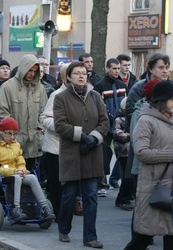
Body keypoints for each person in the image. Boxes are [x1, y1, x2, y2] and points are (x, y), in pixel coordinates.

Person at [54, 61, 109, 248]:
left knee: (91, 196)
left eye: (84, 73)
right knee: (69, 195)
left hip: (92, 153)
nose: (81, 76)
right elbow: (60, 125)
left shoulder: (95, 97)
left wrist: (93, 138)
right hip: (71, 153)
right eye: (77, 73)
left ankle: (90, 237)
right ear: (69, 77)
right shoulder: (61, 97)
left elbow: (104, 121)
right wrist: (81, 136)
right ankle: (64, 228)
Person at [124, 80, 173, 250]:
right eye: (171, 99)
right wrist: (172, 155)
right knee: (142, 239)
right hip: (152, 187)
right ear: (161, 100)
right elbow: (141, 152)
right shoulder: (146, 120)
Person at [0, 117, 55, 221]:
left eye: (14, 134)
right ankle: (15, 208)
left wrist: (22, 170)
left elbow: (21, 162)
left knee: (32, 178)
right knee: (16, 177)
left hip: (15, 172)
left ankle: (45, 207)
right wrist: (13, 171)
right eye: (9, 133)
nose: (12, 137)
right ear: (1, 132)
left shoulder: (16, 144)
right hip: (0, 175)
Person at [0, 54, 48, 172]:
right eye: (29, 70)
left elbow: (44, 111)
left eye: (35, 71)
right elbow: (2, 112)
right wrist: (11, 132)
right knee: (14, 173)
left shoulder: (39, 88)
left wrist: (40, 127)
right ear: (23, 68)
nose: (31, 73)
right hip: (15, 138)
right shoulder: (7, 87)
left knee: (31, 171)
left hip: (34, 139)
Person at [94, 58, 128, 196]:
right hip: (106, 126)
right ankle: (102, 184)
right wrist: (110, 120)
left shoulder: (122, 85)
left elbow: (126, 104)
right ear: (107, 68)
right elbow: (100, 107)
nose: (117, 71)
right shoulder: (100, 86)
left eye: (118, 68)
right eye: (114, 68)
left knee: (123, 155)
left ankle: (121, 181)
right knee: (104, 156)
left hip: (120, 125)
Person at [40, 63, 69, 219]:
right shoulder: (56, 95)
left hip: (74, 145)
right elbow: (45, 118)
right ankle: (58, 212)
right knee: (56, 182)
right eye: (75, 74)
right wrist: (62, 128)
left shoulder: (88, 94)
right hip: (55, 146)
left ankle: (66, 209)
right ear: (65, 78)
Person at [113, 97, 134, 210]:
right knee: (127, 176)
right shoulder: (119, 119)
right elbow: (117, 134)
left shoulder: (133, 118)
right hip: (123, 151)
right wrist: (132, 135)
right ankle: (122, 199)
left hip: (131, 150)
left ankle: (128, 196)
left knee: (130, 176)